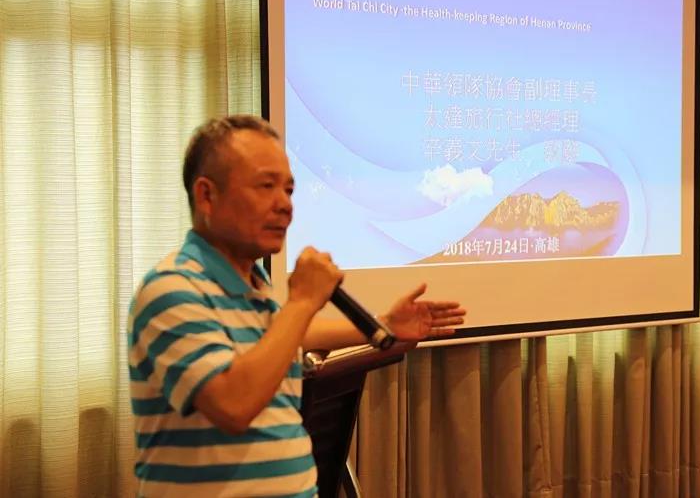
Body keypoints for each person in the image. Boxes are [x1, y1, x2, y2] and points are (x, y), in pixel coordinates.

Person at [127, 114, 465, 497]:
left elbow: (287, 337)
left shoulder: (254, 283)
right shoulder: (171, 288)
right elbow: (232, 403)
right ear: (207, 195)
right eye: (265, 186)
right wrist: (302, 301)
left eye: (288, 190)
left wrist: (383, 324)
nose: (284, 205)